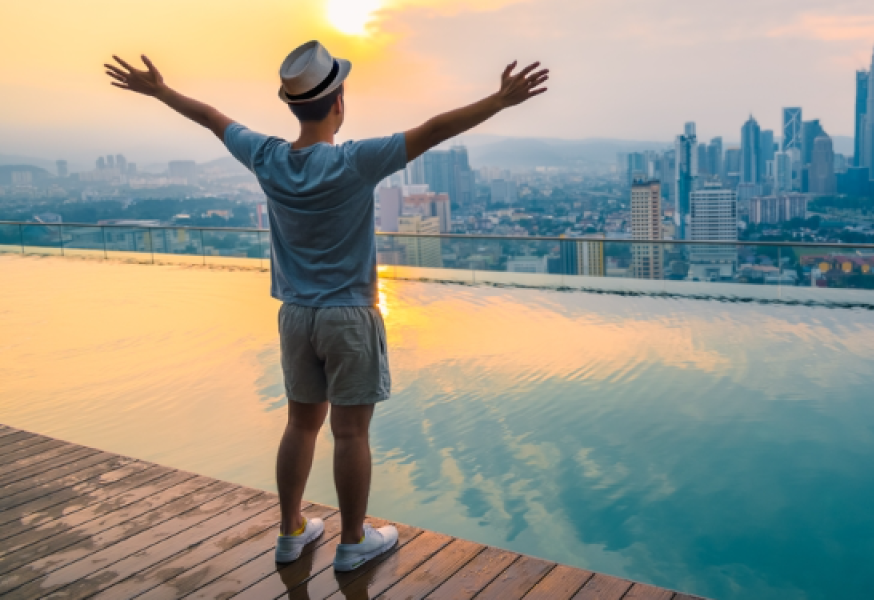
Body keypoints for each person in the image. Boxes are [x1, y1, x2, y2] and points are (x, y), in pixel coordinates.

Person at [104, 41, 549, 572]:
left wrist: (158, 90)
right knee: (351, 433)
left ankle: (291, 531)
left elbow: (210, 117)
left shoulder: (266, 157)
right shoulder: (355, 162)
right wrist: (498, 101)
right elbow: (433, 131)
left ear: (293, 106)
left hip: (295, 315)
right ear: (338, 101)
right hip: (348, 317)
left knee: (300, 426)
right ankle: (353, 540)